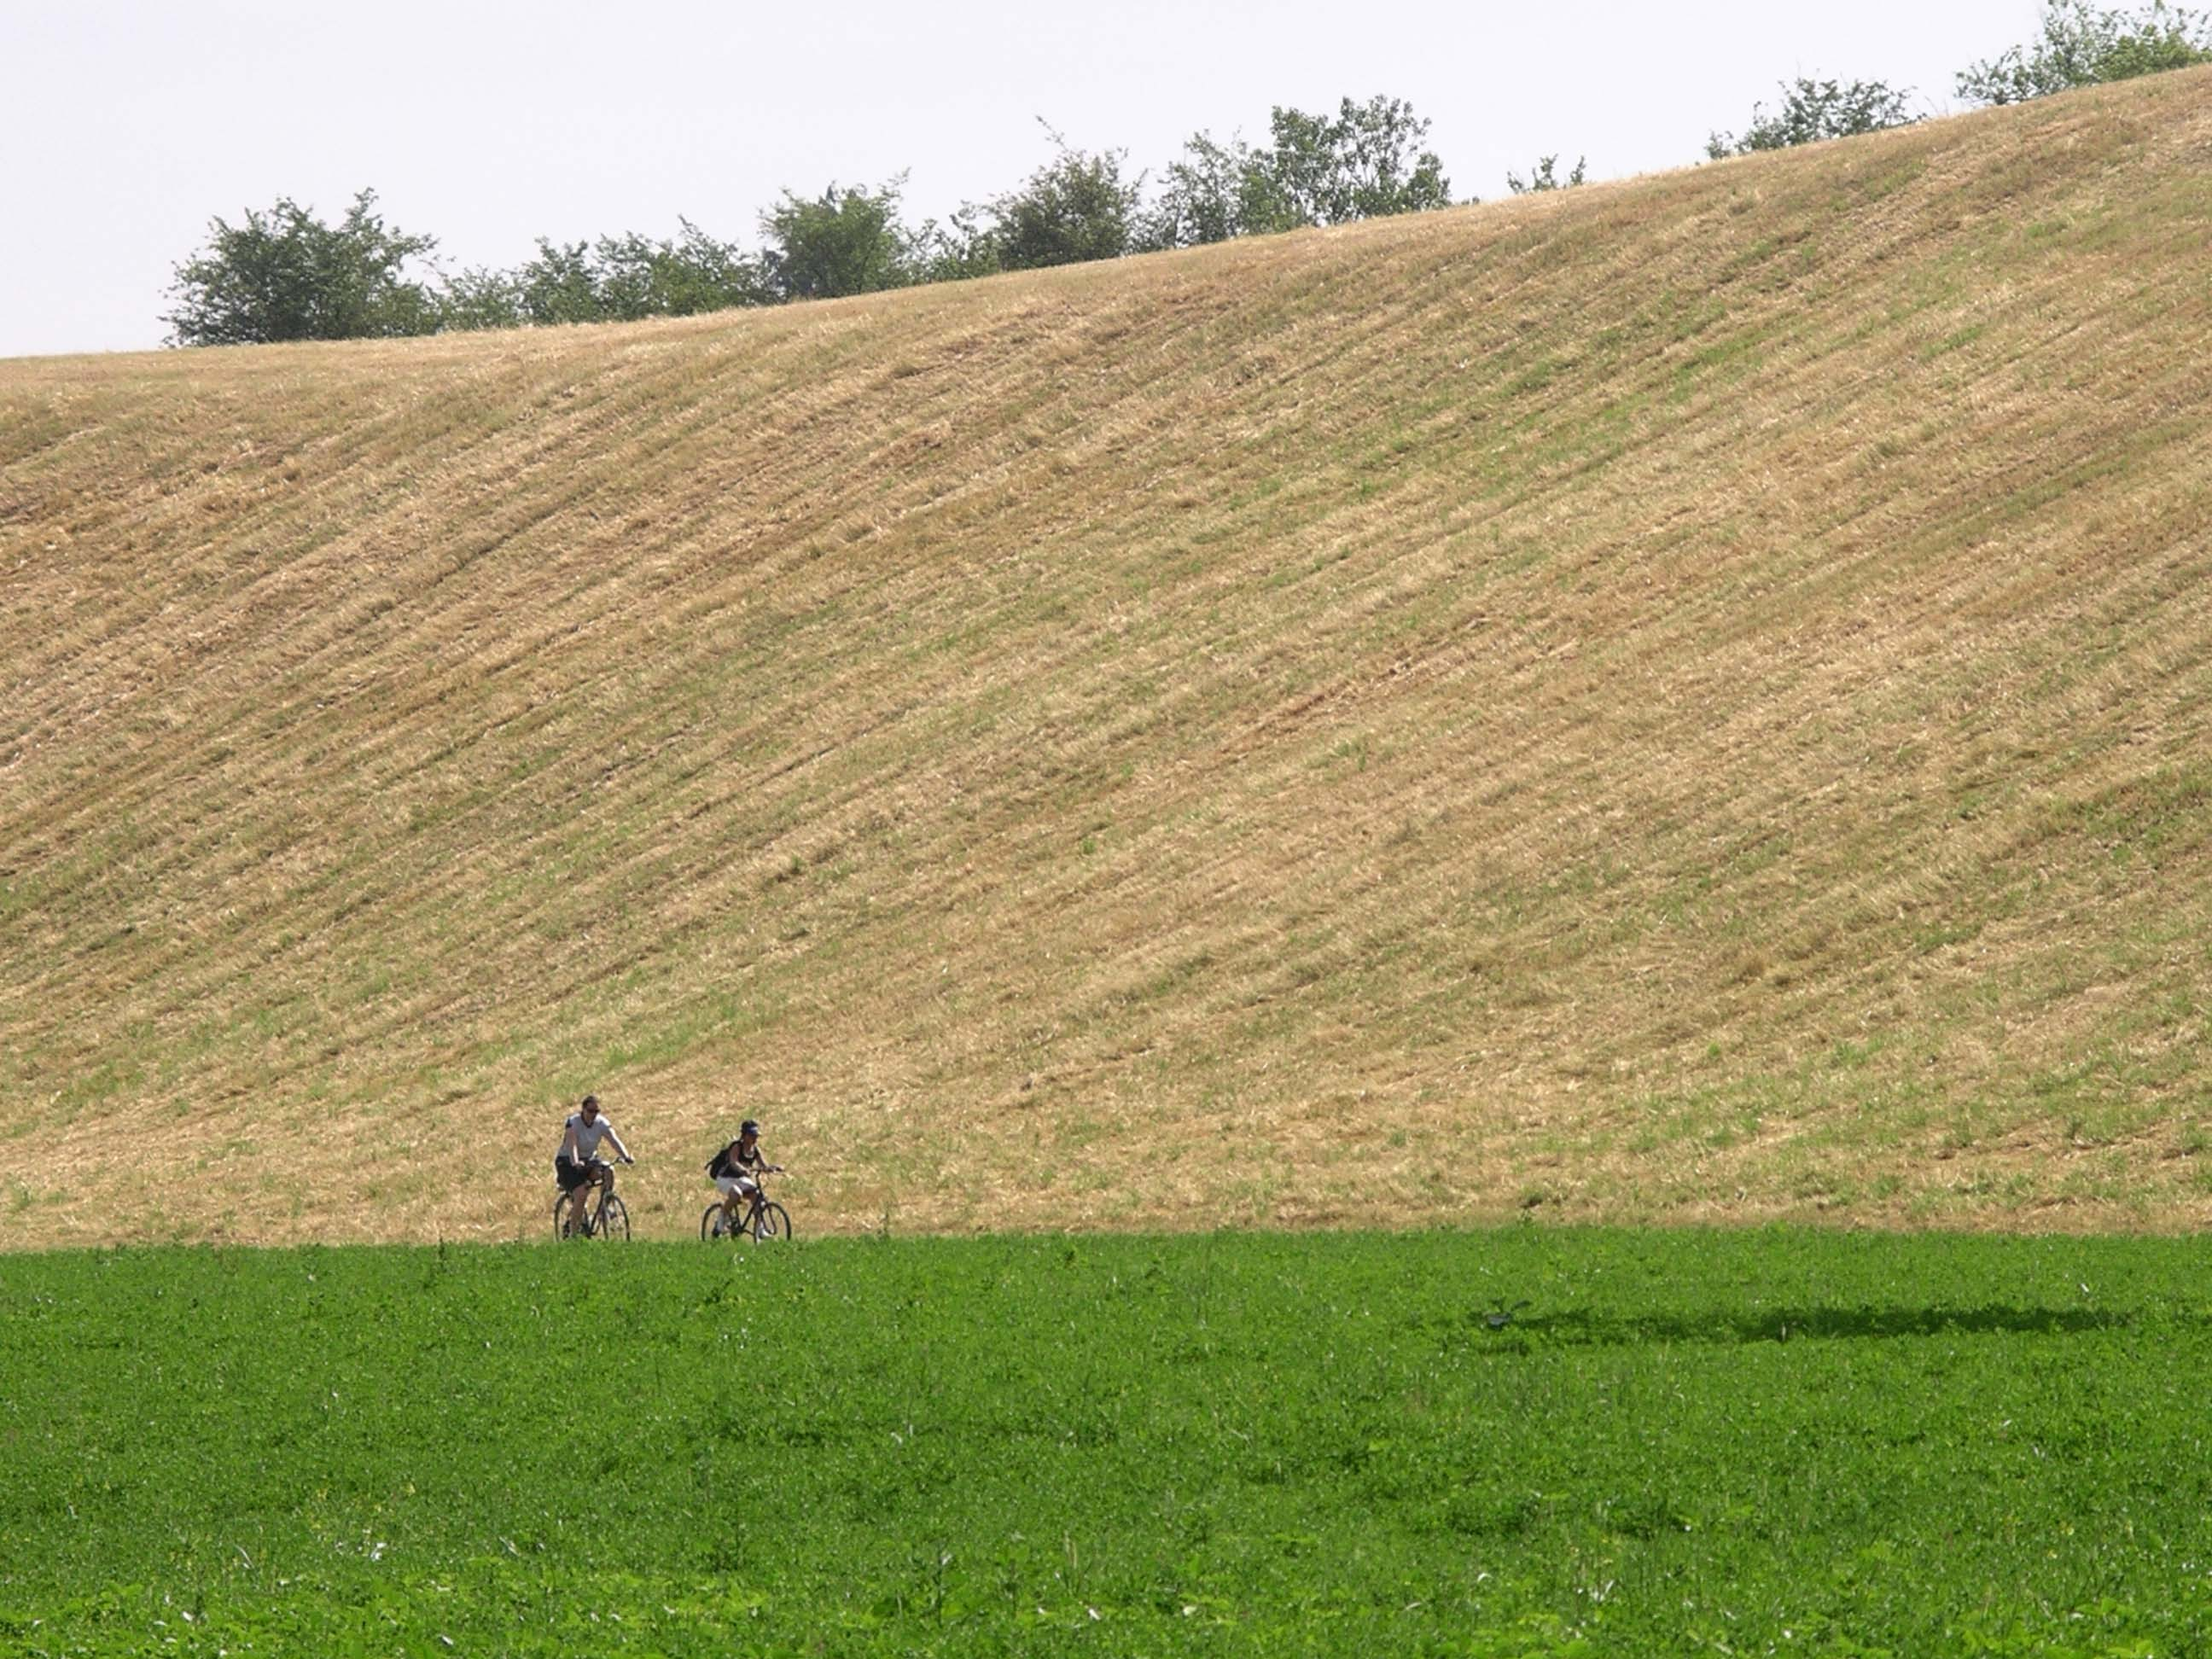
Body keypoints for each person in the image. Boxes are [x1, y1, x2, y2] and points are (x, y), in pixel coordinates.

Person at [555, 1094, 632, 1236]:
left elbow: (614, 1140)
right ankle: (573, 1234)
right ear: (583, 1110)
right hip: (567, 1162)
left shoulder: (601, 1123)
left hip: (589, 1159)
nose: (593, 1115)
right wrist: (575, 1162)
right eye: (590, 1111)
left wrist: (626, 1156)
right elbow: (572, 1145)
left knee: (609, 1170)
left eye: (596, 1112)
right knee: (581, 1194)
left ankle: (605, 1207)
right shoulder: (573, 1123)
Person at [707, 1119, 781, 1231]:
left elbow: (763, 1165)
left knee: (757, 1196)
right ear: (745, 1135)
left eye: (756, 1136)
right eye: (752, 1135)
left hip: (740, 1179)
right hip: (725, 1178)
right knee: (736, 1194)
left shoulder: (755, 1150)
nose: (754, 1138)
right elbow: (733, 1161)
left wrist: (771, 1168)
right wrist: (742, 1169)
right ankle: (721, 1219)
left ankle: (760, 1229)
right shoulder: (737, 1147)